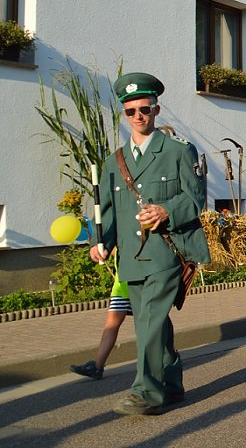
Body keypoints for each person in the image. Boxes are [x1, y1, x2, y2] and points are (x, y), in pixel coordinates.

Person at [89, 72, 210, 415]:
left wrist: (166, 210)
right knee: (152, 321)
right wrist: (99, 242)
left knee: (149, 321)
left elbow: (195, 199)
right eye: (131, 111)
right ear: (124, 114)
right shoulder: (113, 162)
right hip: (131, 258)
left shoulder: (178, 151)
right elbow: (106, 212)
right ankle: (170, 385)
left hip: (165, 252)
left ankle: (146, 391)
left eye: (145, 109)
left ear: (156, 110)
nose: (138, 116)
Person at [70, 252, 132, 380]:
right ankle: (97, 366)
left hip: (137, 286)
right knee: (111, 326)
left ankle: (166, 357)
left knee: (152, 325)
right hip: (121, 287)